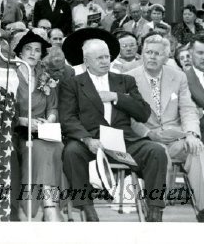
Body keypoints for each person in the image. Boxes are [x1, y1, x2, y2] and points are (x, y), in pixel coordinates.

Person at [59, 28, 169, 222]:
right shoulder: (72, 84)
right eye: (99, 58)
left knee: (156, 151)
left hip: (124, 141)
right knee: (71, 151)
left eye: (107, 57)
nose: (105, 62)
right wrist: (86, 139)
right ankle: (87, 209)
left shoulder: (125, 81)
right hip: (91, 142)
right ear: (86, 61)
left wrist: (117, 97)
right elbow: (68, 118)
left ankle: (155, 211)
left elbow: (143, 113)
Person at [127, 34, 204, 222]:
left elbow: (188, 109)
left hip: (175, 138)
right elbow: (128, 116)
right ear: (142, 54)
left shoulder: (178, 76)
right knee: (158, 153)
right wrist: (147, 133)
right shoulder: (129, 78)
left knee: (198, 150)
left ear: (166, 57)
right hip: (146, 139)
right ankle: (156, 207)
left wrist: (192, 134)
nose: (152, 57)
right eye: (148, 52)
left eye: (157, 54)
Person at [10, 30, 64, 221]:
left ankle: (49, 206)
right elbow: (6, 111)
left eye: (37, 50)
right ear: (20, 53)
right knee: (40, 149)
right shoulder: (11, 76)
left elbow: (53, 107)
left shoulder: (45, 76)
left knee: (55, 146)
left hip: (43, 131)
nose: (33, 54)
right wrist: (24, 121)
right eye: (28, 49)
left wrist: (49, 119)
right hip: (17, 132)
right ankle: (50, 207)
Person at [184, 34, 204, 159]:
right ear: (190, 54)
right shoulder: (182, 78)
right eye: (200, 53)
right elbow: (188, 111)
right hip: (200, 133)